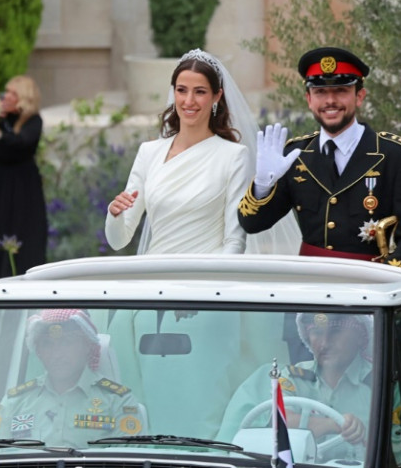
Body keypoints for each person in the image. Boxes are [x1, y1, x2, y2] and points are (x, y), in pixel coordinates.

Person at [104, 49, 300, 439]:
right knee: (145, 410)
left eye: (199, 92)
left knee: (204, 410)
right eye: (181, 90)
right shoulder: (149, 153)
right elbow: (121, 238)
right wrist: (113, 213)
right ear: (172, 94)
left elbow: (234, 239)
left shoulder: (233, 156)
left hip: (207, 305)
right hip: (148, 300)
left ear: (216, 98)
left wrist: (206, 295)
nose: (189, 101)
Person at [237, 47, 401, 271]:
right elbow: (252, 224)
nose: (330, 100)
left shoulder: (394, 155)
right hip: (311, 288)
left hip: (369, 289)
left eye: (340, 90)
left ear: (359, 96)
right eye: (320, 92)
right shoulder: (296, 155)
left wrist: (379, 285)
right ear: (309, 99)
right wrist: (262, 185)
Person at [0, 309, 144, 447]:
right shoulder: (16, 402)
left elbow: (129, 460)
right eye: (47, 344)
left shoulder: (117, 401)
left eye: (67, 342)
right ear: (38, 351)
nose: (57, 354)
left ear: (87, 345)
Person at [218, 312, 372, 454]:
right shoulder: (292, 376)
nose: (324, 343)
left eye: (336, 332)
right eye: (317, 332)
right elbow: (280, 421)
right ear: (307, 337)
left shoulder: (377, 382)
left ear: (360, 335)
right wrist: (333, 425)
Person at [0, 75, 48, 282]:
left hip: (22, 184)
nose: (7, 97)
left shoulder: (33, 121)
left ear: (24, 97)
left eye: (13, 93)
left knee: (23, 230)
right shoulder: (0, 119)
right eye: (6, 92)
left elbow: (21, 146)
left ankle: (23, 279)